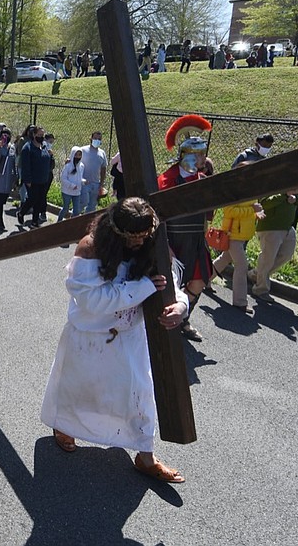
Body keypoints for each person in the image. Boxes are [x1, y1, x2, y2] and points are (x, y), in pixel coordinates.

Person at [41, 197, 187, 483]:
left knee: (140, 394)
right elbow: (91, 301)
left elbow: (171, 286)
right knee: (80, 390)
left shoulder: (151, 246)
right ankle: (66, 426)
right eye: (130, 239)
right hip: (89, 337)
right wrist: (141, 287)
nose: (136, 245)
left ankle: (146, 456)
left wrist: (180, 306)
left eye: (142, 238)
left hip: (130, 337)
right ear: (114, 232)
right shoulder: (90, 248)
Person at [157, 114, 213, 341]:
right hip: (173, 240)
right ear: (186, 156)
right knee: (171, 285)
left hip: (196, 239)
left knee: (199, 282)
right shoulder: (166, 181)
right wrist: (165, 246)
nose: (203, 158)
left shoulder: (203, 180)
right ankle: (168, 320)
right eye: (198, 154)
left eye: (203, 153)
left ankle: (183, 317)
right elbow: (157, 216)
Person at [211, 162, 263, 313]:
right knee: (242, 265)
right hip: (233, 234)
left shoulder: (250, 190)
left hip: (241, 234)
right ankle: (240, 302)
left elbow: (248, 209)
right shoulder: (233, 190)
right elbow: (229, 211)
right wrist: (252, 210)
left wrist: (256, 213)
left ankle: (204, 281)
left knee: (224, 259)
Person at [250, 188, 298, 302]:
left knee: (286, 255)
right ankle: (260, 289)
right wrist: (284, 195)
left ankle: (256, 274)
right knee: (267, 259)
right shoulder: (274, 180)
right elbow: (263, 203)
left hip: (288, 227)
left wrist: (296, 198)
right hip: (270, 227)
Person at [17, 125, 51, 228]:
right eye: (39, 134)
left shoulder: (44, 146)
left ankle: (34, 222)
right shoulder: (27, 148)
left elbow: (48, 161)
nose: (41, 137)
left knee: (40, 200)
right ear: (34, 134)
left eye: (42, 135)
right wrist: (27, 180)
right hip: (32, 179)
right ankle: (21, 213)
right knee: (32, 199)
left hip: (43, 179)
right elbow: (25, 165)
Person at [78, 131, 108, 214]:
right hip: (84, 183)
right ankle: (73, 219)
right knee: (82, 202)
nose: (97, 140)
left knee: (92, 206)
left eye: (99, 139)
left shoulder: (102, 153)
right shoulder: (83, 150)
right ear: (91, 139)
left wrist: (101, 184)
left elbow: (103, 168)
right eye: (95, 138)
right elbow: (75, 161)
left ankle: (87, 224)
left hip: (95, 184)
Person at [58, 146, 84, 222]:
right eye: (76, 155)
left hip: (76, 192)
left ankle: (72, 223)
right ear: (73, 154)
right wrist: (71, 185)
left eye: (80, 155)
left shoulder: (81, 166)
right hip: (67, 191)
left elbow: (79, 178)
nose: (78, 157)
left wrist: (83, 181)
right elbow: (63, 178)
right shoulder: (68, 166)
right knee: (65, 208)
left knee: (76, 211)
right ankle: (59, 222)